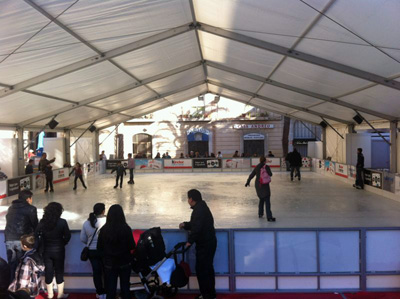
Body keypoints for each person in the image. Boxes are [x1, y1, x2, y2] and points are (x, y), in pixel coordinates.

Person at [179, 190, 217, 299]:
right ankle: (210, 294)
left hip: (205, 245)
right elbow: (196, 224)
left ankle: (206, 295)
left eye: (188, 198)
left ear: (191, 199)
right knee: (207, 269)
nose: (188, 201)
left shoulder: (199, 210)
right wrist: (185, 225)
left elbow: (197, 228)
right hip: (208, 243)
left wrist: (189, 242)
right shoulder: (201, 207)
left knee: (202, 270)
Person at [97, 205, 135, 299]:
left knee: (110, 289)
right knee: (125, 287)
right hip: (125, 262)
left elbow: (99, 248)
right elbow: (132, 246)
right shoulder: (126, 229)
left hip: (109, 264)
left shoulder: (104, 230)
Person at [36, 202, 71, 299]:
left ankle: (50, 294)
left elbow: (36, 234)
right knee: (59, 272)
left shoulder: (42, 222)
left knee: (49, 271)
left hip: (46, 251)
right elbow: (68, 236)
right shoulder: (62, 222)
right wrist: (63, 243)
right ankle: (60, 294)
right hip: (59, 250)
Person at [5, 190, 38, 282]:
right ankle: (20, 287)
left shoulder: (11, 207)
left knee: (12, 264)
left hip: (9, 238)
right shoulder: (31, 209)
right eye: (31, 198)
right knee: (23, 265)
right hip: (22, 240)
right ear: (28, 199)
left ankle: (11, 287)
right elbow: (35, 224)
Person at [80, 204, 107, 299]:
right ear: (103, 211)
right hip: (105, 251)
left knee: (96, 272)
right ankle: (107, 292)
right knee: (107, 271)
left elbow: (82, 238)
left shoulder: (86, 223)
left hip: (92, 251)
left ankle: (100, 293)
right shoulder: (107, 221)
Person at [245, 156, 275, 221]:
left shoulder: (257, 166)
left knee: (261, 198)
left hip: (258, 185)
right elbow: (270, 174)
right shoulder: (266, 167)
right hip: (265, 185)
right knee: (267, 200)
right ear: (265, 161)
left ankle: (260, 213)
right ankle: (269, 216)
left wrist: (248, 182)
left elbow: (252, 175)